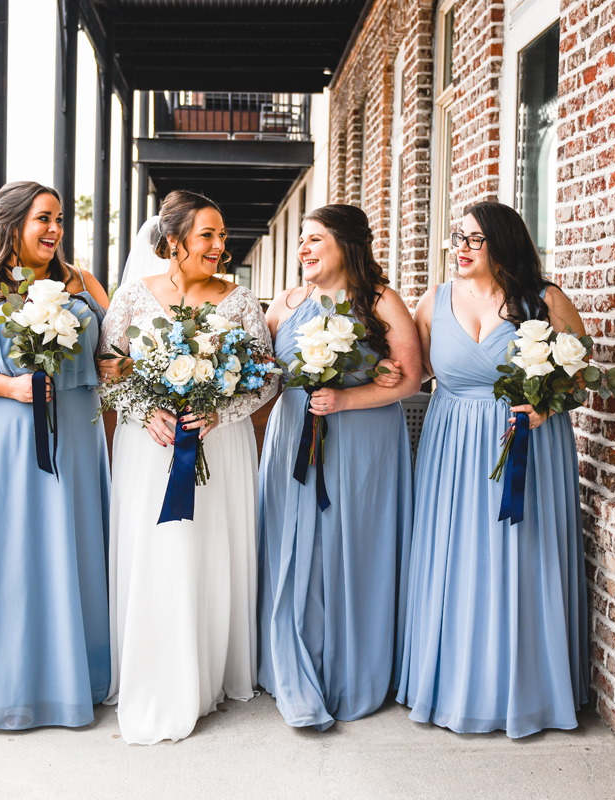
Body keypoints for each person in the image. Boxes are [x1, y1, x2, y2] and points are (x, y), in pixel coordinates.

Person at [397, 200, 588, 737]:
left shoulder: (546, 301)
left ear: (503, 243)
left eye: (474, 239)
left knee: (520, 555)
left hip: (526, 443)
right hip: (451, 447)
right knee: (456, 555)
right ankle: (454, 684)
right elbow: (420, 371)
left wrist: (547, 406)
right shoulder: (433, 302)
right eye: (457, 237)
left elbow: (579, 376)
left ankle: (525, 689)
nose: (460, 248)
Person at [0, 181, 112, 730]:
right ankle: (4, 687)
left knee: (69, 547)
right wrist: (9, 387)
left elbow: (115, 348)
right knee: (7, 554)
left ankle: (75, 679)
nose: (54, 229)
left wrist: (116, 365)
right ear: (11, 225)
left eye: (59, 219)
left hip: (72, 436)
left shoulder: (82, 283)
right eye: (43, 219)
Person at [96, 190, 278, 745]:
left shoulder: (239, 300)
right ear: (174, 241)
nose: (220, 245)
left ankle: (207, 670)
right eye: (208, 235)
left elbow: (267, 375)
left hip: (218, 446)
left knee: (208, 548)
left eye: (223, 235)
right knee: (158, 549)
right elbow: (108, 368)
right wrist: (143, 410)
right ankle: (155, 669)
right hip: (149, 447)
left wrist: (222, 413)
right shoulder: (133, 295)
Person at [257, 204, 421, 730]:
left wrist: (349, 397)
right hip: (292, 437)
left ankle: (353, 669)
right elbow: (261, 377)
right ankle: (293, 661)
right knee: (294, 548)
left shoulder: (381, 301)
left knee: (352, 546)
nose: (303, 249)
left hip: (363, 443)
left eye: (314, 239)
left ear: (346, 244)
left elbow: (412, 378)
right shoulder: (284, 304)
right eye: (301, 240)